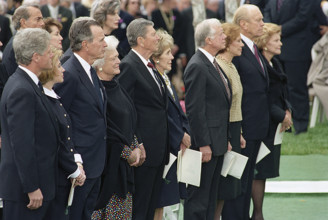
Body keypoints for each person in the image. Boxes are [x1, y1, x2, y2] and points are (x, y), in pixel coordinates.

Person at [0, 28, 58, 220]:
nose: (52, 54)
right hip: (26, 192)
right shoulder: (21, 90)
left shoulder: (28, 84)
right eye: (48, 51)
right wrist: (32, 187)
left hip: (38, 186)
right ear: (35, 56)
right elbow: (22, 144)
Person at [54, 19, 107, 220]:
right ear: (85, 44)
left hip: (96, 161)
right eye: (101, 40)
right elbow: (60, 119)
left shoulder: (90, 69)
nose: (105, 44)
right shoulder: (69, 73)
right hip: (80, 166)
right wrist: (73, 159)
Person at [117, 18, 169, 220]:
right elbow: (123, 109)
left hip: (158, 149)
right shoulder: (129, 65)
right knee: (140, 208)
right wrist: (136, 142)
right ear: (140, 40)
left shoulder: (149, 65)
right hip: (144, 151)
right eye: (153, 34)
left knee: (150, 206)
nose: (157, 37)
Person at [221, 5, 270, 220]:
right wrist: (237, 129)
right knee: (237, 185)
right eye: (258, 20)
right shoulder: (236, 50)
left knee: (247, 180)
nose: (263, 23)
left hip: (257, 127)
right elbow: (233, 93)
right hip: (243, 128)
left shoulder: (252, 47)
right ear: (243, 24)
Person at [183, 18, 232, 220]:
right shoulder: (198, 65)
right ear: (209, 39)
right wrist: (203, 144)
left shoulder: (211, 62)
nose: (225, 37)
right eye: (221, 33)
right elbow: (195, 110)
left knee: (210, 198)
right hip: (206, 145)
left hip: (217, 141)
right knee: (199, 200)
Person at [91, 35, 142, 220]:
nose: (119, 61)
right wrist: (127, 153)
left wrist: (136, 144)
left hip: (124, 168)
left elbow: (130, 121)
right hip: (108, 170)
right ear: (100, 65)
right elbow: (107, 130)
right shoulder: (98, 91)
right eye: (114, 58)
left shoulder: (116, 86)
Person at [38, 48, 86, 219]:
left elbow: (67, 135)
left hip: (63, 175)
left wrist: (77, 161)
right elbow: (55, 141)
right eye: (59, 65)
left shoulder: (54, 98)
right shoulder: (44, 100)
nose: (64, 69)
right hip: (54, 177)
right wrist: (74, 170)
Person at [251, 22, 293, 220]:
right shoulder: (260, 65)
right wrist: (282, 116)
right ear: (265, 43)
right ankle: (257, 214)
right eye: (276, 40)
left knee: (265, 170)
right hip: (263, 125)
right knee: (258, 171)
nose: (281, 44)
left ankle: (258, 213)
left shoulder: (275, 63)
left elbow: (283, 93)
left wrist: (288, 112)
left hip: (274, 126)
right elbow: (264, 98)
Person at [151, 29, 190, 220]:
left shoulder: (165, 78)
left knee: (165, 200)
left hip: (173, 145)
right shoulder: (155, 78)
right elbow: (163, 113)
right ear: (156, 57)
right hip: (164, 145)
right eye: (167, 53)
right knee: (159, 200)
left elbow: (178, 111)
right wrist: (180, 135)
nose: (171, 57)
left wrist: (185, 130)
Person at [264, 0, 317, 135]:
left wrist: (281, 30)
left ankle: (300, 124)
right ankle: (284, 121)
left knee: (297, 87)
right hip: (274, 48)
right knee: (279, 89)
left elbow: (303, 16)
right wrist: (271, 30)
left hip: (297, 47)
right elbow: (268, 11)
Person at [214, 22, 246, 220]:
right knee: (222, 183)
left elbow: (236, 103)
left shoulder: (231, 65)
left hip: (234, 128)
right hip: (224, 130)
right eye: (238, 40)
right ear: (227, 43)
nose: (242, 44)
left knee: (229, 184)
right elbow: (221, 106)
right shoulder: (220, 66)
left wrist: (239, 132)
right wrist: (227, 135)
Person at [2, 4, 44, 77]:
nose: (42, 23)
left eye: (42, 19)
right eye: (38, 19)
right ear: (23, 22)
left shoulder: (24, 43)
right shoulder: (15, 47)